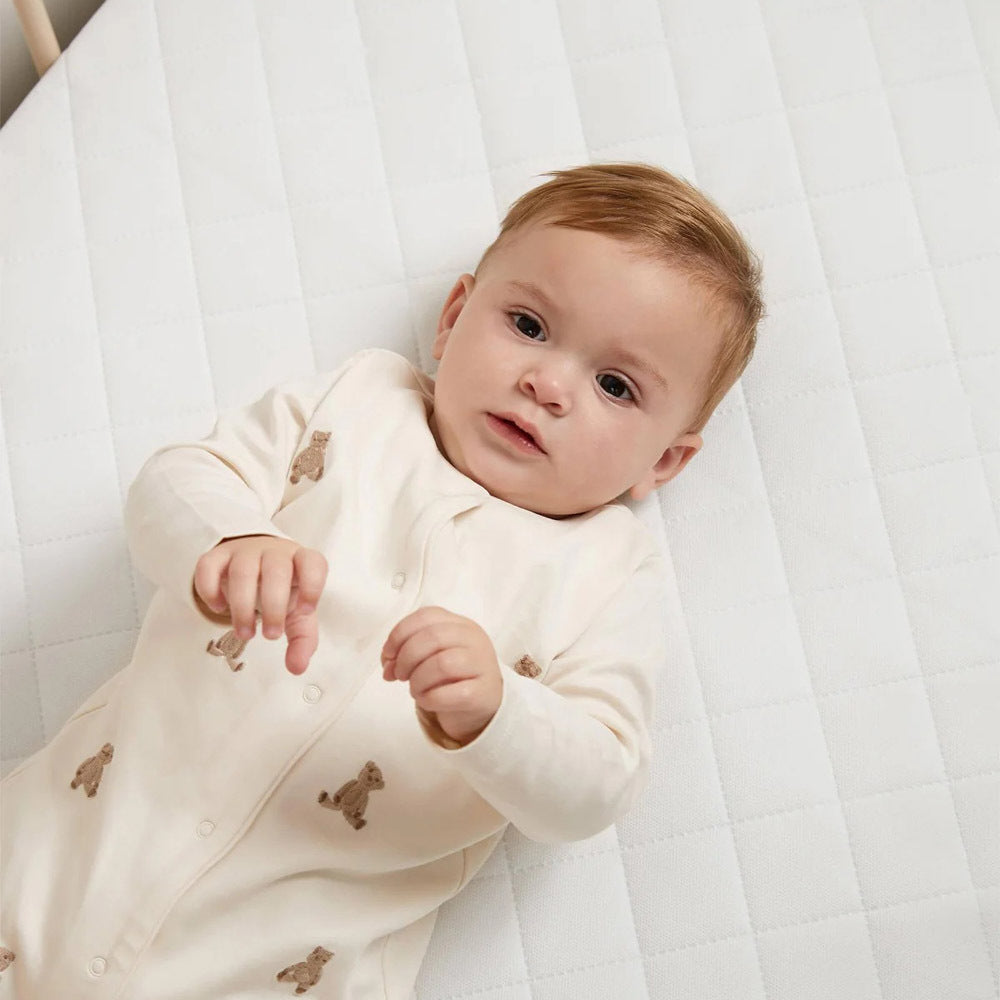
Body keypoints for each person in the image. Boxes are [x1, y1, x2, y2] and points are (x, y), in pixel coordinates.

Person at [0, 162, 763, 998]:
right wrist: (233, 536)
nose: (547, 384)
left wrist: (500, 713)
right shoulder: (358, 404)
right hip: (52, 861)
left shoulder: (608, 572)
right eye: (529, 325)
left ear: (665, 461)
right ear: (454, 316)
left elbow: (599, 783)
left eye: (615, 386)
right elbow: (177, 480)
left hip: (266, 968)